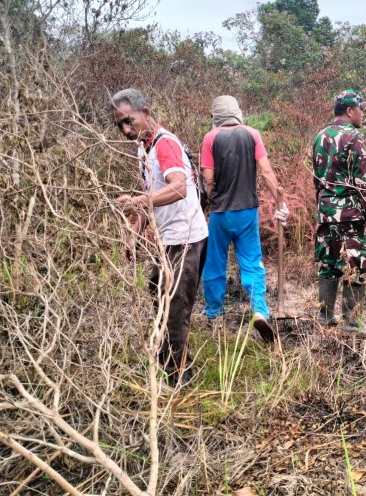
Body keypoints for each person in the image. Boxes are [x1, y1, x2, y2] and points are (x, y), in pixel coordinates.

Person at [111, 88, 208, 388]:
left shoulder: (165, 145)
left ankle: (180, 381)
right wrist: (134, 235)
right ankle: (168, 366)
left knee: (176, 308)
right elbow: (151, 198)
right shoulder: (144, 148)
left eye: (129, 121)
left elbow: (178, 188)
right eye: (120, 125)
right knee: (158, 293)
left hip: (187, 237)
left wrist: (138, 201)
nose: (126, 130)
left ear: (147, 113)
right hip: (167, 239)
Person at [200, 95, 288, 343]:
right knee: (252, 262)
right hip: (248, 212)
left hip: (220, 213)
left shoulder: (210, 138)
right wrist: (281, 204)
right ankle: (260, 310)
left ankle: (215, 314)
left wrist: (209, 197)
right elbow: (267, 171)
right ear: (237, 112)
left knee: (215, 264)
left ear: (216, 116)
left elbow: (208, 180)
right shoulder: (253, 134)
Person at [312, 89, 366, 337]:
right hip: (350, 216)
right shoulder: (355, 137)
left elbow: (316, 180)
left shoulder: (319, 137)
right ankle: (352, 325)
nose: (363, 114)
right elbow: (365, 180)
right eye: (361, 109)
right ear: (350, 111)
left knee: (328, 264)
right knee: (356, 266)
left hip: (326, 214)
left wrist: (322, 209)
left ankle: (324, 318)